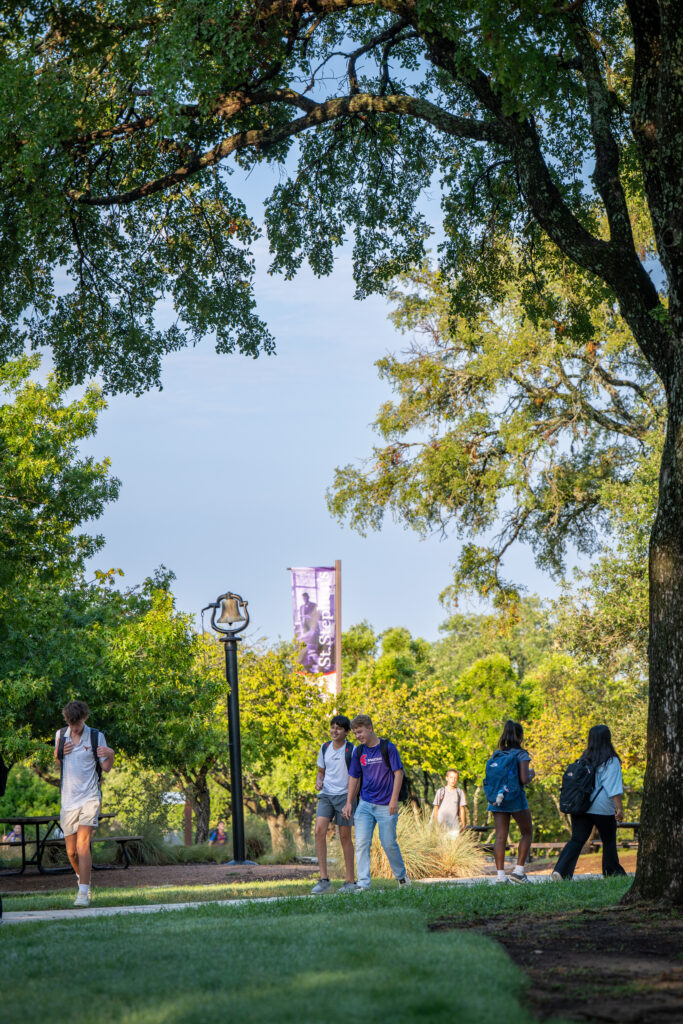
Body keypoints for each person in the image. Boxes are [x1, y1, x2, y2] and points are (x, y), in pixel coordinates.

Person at [54, 700, 114, 908]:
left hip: (90, 797)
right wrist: (60, 751)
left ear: (84, 718)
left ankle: (83, 893)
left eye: (77, 723)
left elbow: (106, 768)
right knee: (71, 852)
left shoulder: (96, 736)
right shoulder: (60, 735)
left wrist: (111, 755)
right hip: (68, 800)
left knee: (82, 845)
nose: (74, 728)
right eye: (70, 724)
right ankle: (83, 878)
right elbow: (59, 760)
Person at [552, 724, 627, 881]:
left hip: (581, 805)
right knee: (608, 839)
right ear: (608, 739)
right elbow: (613, 789)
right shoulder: (611, 761)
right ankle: (612, 872)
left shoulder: (584, 758)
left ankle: (561, 871)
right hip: (602, 808)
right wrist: (619, 808)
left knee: (577, 839)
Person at [343, 714, 409, 891]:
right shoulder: (359, 752)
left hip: (386, 805)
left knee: (388, 842)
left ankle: (402, 878)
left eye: (360, 732)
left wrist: (394, 800)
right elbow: (354, 777)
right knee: (362, 843)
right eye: (355, 733)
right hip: (365, 804)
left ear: (370, 728)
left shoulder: (388, 748)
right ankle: (363, 883)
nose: (358, 736)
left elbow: (398, 774)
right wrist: (349, 802)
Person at [311, 715, 358, 894]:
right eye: (332, 727)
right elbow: (321, 772)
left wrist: (349, 802)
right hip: (326, 795)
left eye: (338, 728)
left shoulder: (352, 750)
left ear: (346, 732)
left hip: (345, 797)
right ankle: (323, 879)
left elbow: (356, 777)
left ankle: (350, 882)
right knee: (319, 830)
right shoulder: (325, 748)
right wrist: (319, 781)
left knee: (344, 836)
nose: (334, 731)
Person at [485, 720, 535, 884]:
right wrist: (531, 774)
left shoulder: (496, 755)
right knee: (526, 832)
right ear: (520, 737)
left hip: (497, 800)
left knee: (500, 837)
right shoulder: (521, 754)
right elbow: (524, 779)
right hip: (515, 798)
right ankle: (519, 872)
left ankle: (500, 876)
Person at [432, 769, 468, 835]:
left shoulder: (459, 792)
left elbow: (462, 809)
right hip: (441, 826)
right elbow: (436, 807)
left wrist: (463, 824)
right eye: (451, 777)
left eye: (455, 778)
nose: (453, 780)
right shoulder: (440, 791)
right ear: (447, 778)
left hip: (454, 827)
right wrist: (435, 822)